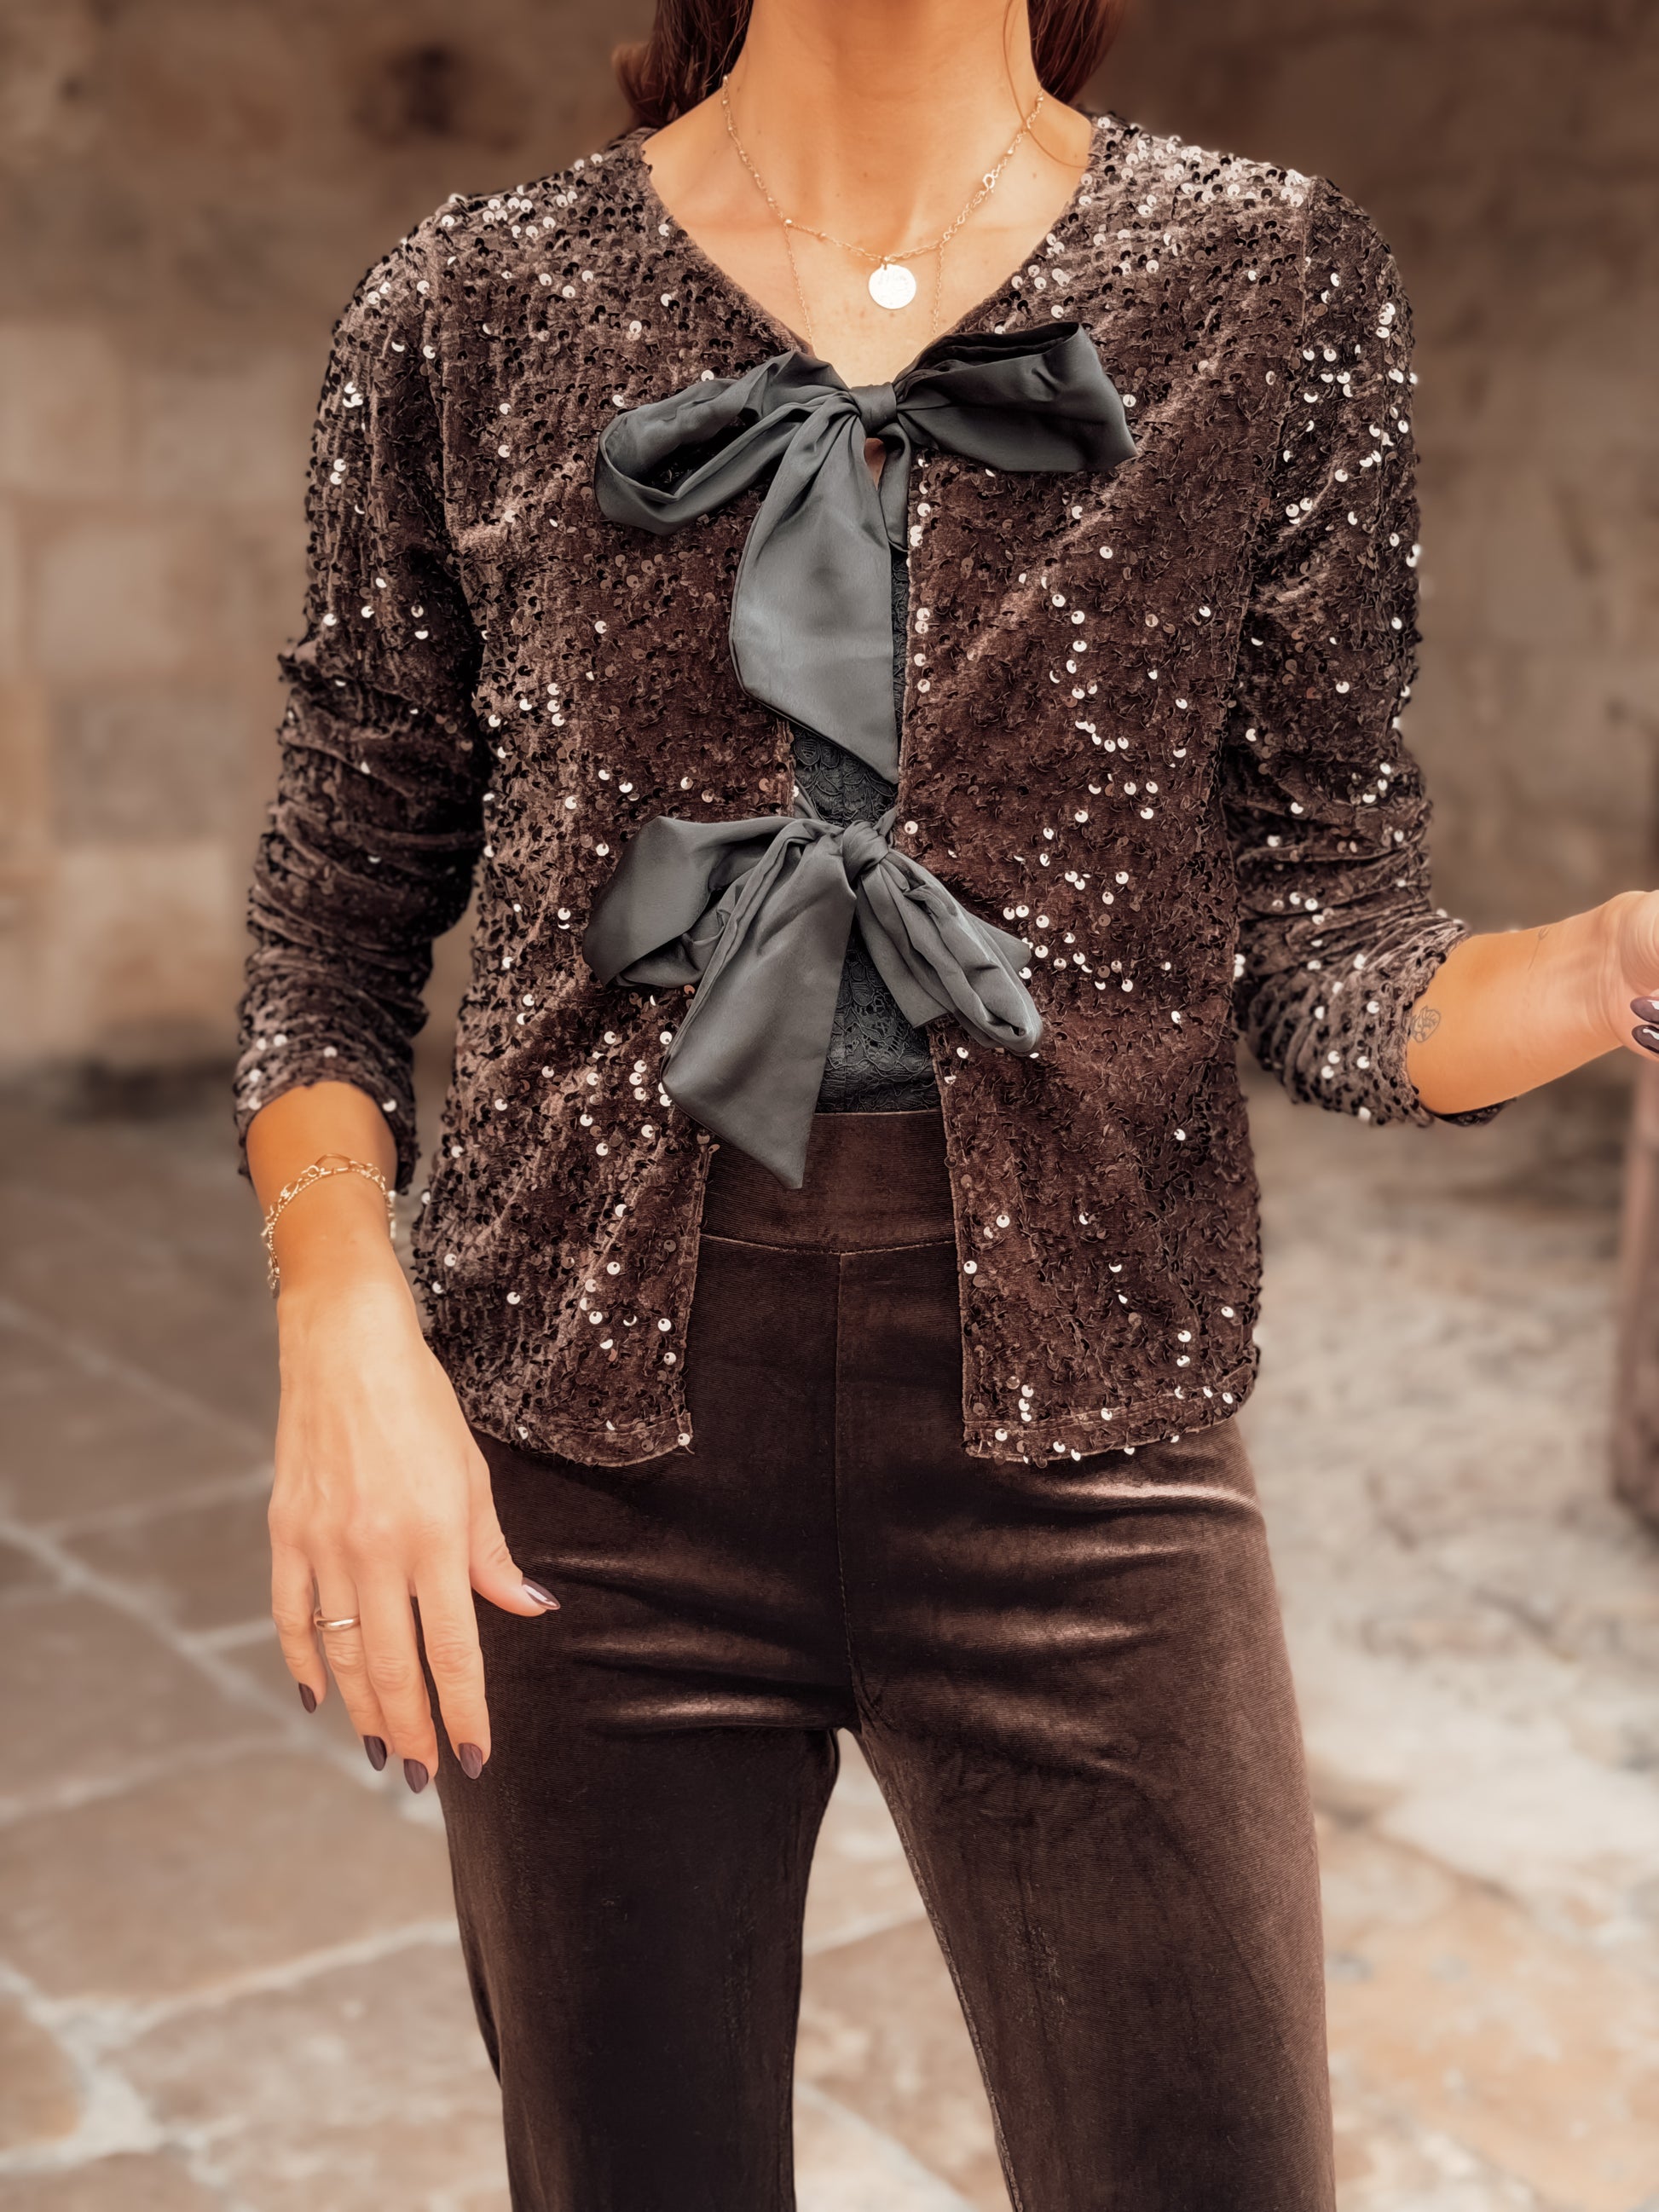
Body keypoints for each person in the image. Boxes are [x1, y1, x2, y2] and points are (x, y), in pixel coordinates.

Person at [236, 2, 1659, 2203]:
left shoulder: (1268, 279)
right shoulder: (465, 307)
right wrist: (343, 1323)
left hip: (1092, 1442)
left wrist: (1598, 970)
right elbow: (329, 926)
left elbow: (1325, 937)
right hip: (581, 1477)